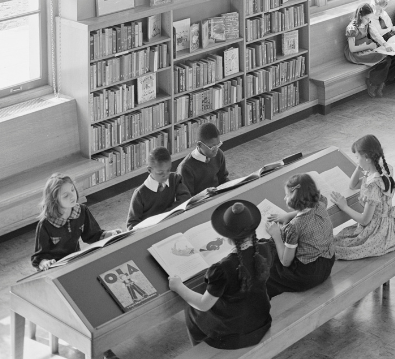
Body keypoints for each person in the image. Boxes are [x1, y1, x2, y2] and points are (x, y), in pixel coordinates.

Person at [170, 199, 272, 349]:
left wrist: (178, 287)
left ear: (227, 237)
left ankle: (200, 349)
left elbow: (204, 305)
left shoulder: (222, 268)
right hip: (261, 321)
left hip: (234, 335)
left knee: (192, 308)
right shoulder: (264, 248)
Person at [331, 135, 395, 260]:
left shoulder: (373, 186)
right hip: (384, 226)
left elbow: (365, 220)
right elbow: (353, 185)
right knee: (338, 239)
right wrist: (359, 166)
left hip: (379, 233)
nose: (356, 160)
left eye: (357, 157)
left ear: (367, 158)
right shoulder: (380, 171)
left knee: (336, 247)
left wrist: (344, 206)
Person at [263, 173, 336, 296]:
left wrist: (276, 234)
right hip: (327, 265)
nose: (284, 198)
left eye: (286, 195)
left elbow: (285, 262)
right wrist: (287, 216)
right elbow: (307, 210)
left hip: (306, 276)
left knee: (267, 268)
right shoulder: (320, 204)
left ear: (295, 200)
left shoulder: (294, 227)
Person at [32, 173, 120, 269]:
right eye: (65, 196)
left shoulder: (82, 210)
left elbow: (92, 235)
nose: (72, 196)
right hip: (54, 268)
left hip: (75, 261)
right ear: (54, 200)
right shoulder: (45, 224)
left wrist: (109, 234)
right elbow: (38, 257)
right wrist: (44, 263)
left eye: (72, 190)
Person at [345, 3, 395, 97]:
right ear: (360, 16)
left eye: (369, 19)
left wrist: (385, 44)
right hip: (358, 52)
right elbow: (352, 49)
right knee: (386, 59)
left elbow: (375, 35)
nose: (368, 21)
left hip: (369, 47)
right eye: (367, 18)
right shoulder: (352, 28)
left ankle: (382, 82)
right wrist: (368, 47)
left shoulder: (367, 23)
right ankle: (372, 81)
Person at [127, 146, 191, 229]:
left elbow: (186, 199)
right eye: (160, 173)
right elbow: (131, 225)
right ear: (149, 170)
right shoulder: (140, 194)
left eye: (168, 170)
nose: (166, 175)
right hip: (150, 231)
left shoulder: (174, 178)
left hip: (168, 224)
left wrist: (165, 215)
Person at [177, 122, 229, 196]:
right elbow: (187, 198)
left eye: (218, 144)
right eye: (212, 147)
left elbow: (223, 179)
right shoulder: (185, 168)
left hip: (218, 197)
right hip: (200, 204)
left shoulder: (218, 154)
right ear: (199, 145)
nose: (216, 150)